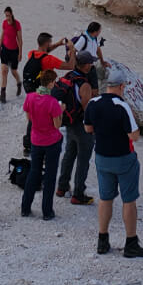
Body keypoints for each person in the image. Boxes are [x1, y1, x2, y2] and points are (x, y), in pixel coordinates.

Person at [84, 69, 143, 257]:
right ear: (121, 86)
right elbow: (134, 136)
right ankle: (131, 243)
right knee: (129, 200)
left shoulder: (93, 103)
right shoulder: (122, 106)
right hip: (123, 157)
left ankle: (102, 240)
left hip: (102, 156)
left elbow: (88, 128)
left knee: (105, 198)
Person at [21, 69, 66, 220]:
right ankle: (47, 211)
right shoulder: (53, 103)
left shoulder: (30, 97)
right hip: (51, 141)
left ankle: (25, 208)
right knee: (50, 176)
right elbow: (57, 125)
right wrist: (61, 111)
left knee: (34, 172)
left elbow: (29, 118)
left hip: (36, 139)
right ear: (51, 83)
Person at [55, 51, 99, 204]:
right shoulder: (84, 84)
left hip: (69, 123)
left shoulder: (69, 76)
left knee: (69, 154)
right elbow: (87, 108)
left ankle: (62, 186)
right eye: (91, 63)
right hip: (82, 125)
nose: (92, 65)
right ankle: (78, 194)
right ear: (86, 65)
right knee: (83, 159)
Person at [0, 7, 23, 103]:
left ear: (11, 14)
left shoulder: (17, 24)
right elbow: (2, 35)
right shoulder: (4, 23)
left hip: (14, 51)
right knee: (4, 71)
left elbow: (20, 40)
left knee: (13, 71)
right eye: (5, 15)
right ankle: (3, 94)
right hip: (5, 50)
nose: (7, 17)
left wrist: (20, 53)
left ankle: (19, 83)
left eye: (8, 15)